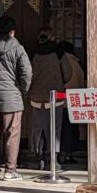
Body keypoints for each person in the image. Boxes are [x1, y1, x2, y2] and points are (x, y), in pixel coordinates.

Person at [0, 15, 33, 181]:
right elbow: (26, 72)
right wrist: (22, 90)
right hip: (12, 97)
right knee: (12, 134)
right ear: (12, 32)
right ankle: (10, 170)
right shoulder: (17, 48)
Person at [27, 36, 66, 167]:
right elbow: (68, 73)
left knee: (38, 128)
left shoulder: (32, 54)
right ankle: (53, 159)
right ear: (52, 38)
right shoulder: (59, 53)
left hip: (36, 97)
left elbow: (27, 73)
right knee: (55, 129)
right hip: (55, 97)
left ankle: (40, 158)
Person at [56, 41, 87, 162]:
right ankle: (69, 154)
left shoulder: (63, 60)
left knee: (65, 129)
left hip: (63, 100)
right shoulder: (76, 62)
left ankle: (63, 154)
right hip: (76, 100)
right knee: (73, 128)